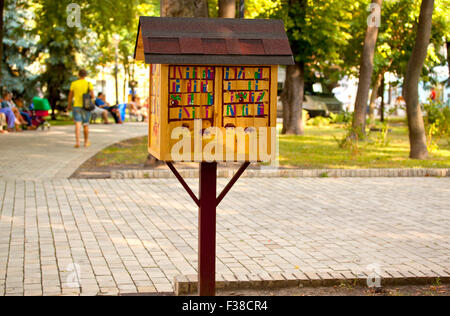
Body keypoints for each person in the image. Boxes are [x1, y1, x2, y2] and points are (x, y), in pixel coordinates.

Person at [68, 69, 94, 148]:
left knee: (77, 124)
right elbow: (92, 96)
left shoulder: (74, 84)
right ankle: (86, 142)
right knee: (85, 124)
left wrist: (69, 104)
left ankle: (77, 142)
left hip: (76, 106)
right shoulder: (89, 84)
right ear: (85, 75)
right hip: (86, 106)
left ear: (78, 75)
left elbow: (70, 96)